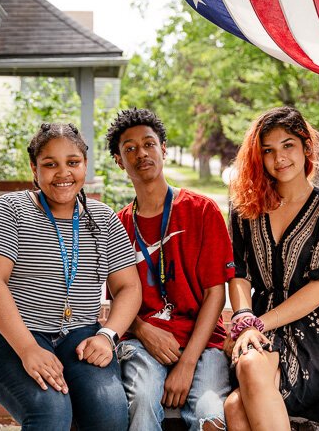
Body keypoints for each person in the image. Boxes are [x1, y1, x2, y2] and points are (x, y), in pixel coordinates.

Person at [0, 123, 142, 431]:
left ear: (85, 166)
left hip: (80, 334)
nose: (63, 173)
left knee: (110, 415)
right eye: (50, 164)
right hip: (10, 336)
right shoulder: (10, 209)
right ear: (34, 169)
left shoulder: (103, 218)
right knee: (51, 412)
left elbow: (129, 287)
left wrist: (107, 336)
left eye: (72, 163)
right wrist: (27, 349)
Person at [105, 108, 235, 431]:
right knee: (143, 400)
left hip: (205, 342)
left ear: (163, 148)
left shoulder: (202, 210)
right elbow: (118, 302)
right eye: (130, 148)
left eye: (148, 144)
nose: (141, 153)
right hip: (142, 343)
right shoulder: (117, 226)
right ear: (120, 161)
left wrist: (187, 363)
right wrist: (144, 331)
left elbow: (215, 295)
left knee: (210, 413)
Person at [223, 107, 319, 430]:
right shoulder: (245, 209)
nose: (279, 158)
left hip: (314, 333)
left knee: (237, 406)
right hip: (258, 323)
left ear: (306, 147)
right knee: (238, 400)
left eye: (288, 145)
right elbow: (238, 273)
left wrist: (256, 324)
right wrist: (242, 319)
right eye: (268, 150)